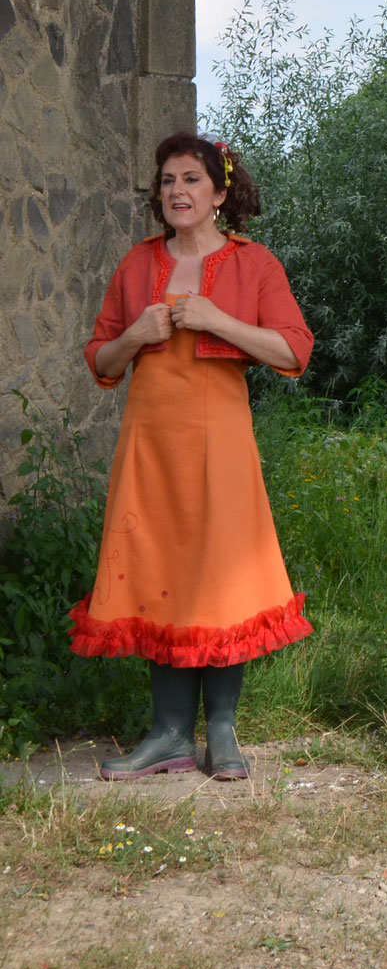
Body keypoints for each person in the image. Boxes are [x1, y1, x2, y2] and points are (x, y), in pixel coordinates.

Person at [71, 132, 315, 781]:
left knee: (221, 578)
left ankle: (224, 735)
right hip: (150, 448)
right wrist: (133, 335)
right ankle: (169, 735)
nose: (177, 192)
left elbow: (294, 351)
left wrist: (217, 321)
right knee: (157, 572)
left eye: (191, 181)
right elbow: (99, 358)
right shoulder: (136, 265)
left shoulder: (253, 265)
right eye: (168, 181)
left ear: (220, 194)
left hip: (221, 447)